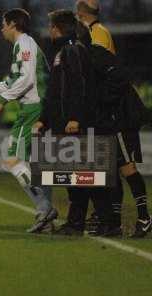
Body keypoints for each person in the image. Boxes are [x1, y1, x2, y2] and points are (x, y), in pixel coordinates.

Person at [0, 8, 58, 233]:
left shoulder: (24, 44)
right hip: (38, 108)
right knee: (37, 165)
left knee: (12, 159)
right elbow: (14, 82)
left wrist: (1, 101)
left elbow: (26, 80)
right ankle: (45, 218)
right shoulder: (23, 46)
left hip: (33, 109)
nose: (1, 29)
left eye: (3, 24)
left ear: (12, 24)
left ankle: (44, 207)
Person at [76, 21, 152, 238]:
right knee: (113, 171)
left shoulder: (97, 55)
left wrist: (103, 102)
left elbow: (119, 77)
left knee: (127, 169)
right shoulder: (88, 57)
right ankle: (115, 222)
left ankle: (144, 217)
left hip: (120, 120)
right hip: (109, 121)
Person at [33, 9, 97, 236]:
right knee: (71, 174)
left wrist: (75, 117)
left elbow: (80, 87)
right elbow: (55, 93)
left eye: (51, 26)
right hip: (62, 123)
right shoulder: (62, 51)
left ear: (58, 28)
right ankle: (77, 220)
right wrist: (44, 120)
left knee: (79, 174)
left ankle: (79, 222)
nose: (49, 30)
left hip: (72, 124)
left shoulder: (73, 50)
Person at [76, 0, 122, 235]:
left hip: (103, 112)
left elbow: (104, 71)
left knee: (107, 164)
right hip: (98, 109)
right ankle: (105, 215)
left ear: (81, 14)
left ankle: (111, 217)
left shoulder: (98, 34)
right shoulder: (96, 32)